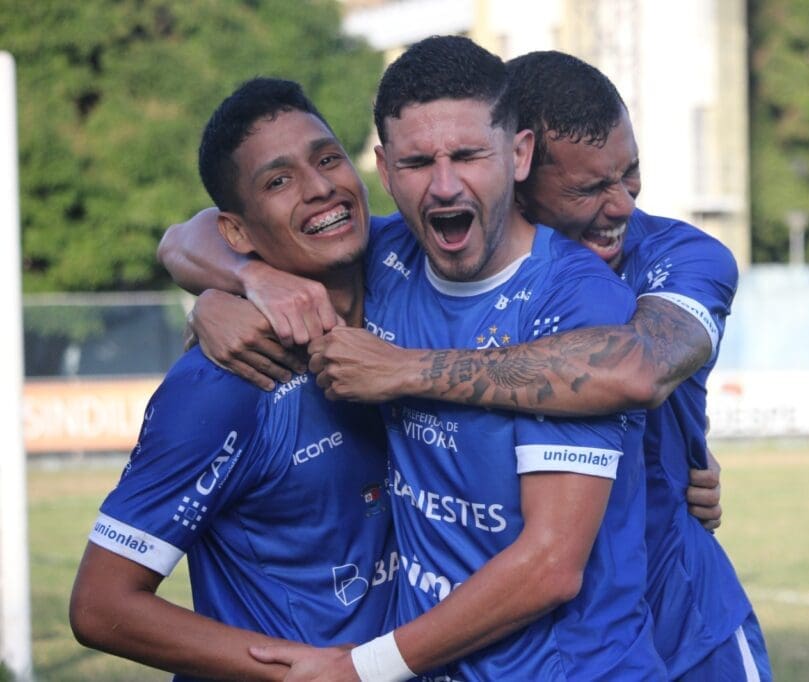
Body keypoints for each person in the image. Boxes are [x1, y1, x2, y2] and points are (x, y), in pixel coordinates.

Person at [300, 51, 771, 681]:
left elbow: (639, 369)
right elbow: (228, 231)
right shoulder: (418, 250)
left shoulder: (681, 255)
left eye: (630, 175)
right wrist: (235, 283)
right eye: (589, 187)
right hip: (535, 628)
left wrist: (407, 370)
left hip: (685, 618)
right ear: (520, 172)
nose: (623, 204)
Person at [68, 78, 396, 681]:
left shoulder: (410, 271)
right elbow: (101, 605)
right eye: (279, 181)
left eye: (327, 159)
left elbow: (182, 240)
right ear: (238, 233)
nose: (320, 187)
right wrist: (302, 671)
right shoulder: (223, 385)